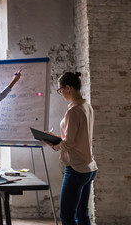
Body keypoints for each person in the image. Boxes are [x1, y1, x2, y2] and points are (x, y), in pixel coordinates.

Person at [43, 72, 98, 225]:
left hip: (76, 168)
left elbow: (69, 143)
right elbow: (76, 137)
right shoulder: (86, 106)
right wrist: (56, 138)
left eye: (60, 90)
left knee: (66, 216)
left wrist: (53, 144)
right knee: (82, 214)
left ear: (68, 88)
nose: (60, 94)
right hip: (89, 166)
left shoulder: (73, 111)